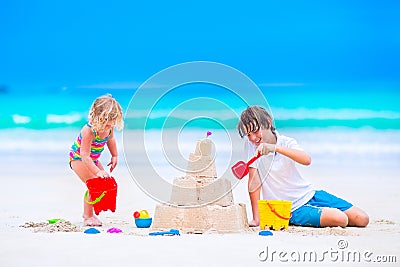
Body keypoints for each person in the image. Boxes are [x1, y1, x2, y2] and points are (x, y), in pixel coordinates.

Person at [237, 106, 369, 228]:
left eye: (255, 131)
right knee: (341, 219)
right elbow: (254, 183)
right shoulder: (251, 147)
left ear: (268, 122)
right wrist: (257, 218)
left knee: (362, 219)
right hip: (290, 208)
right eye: (248, 134)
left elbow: (306, 160)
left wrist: (274, 148)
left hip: (310, 194)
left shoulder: (286, 142)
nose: (253, 138)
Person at [69, 94, 124, 226]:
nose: (108, 128)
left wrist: (114, 155)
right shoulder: (89, 131)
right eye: (105, 125)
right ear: (96, 118)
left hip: (92, 159)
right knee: (94, 184)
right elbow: (85, 156)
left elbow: (111, 140)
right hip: (78, 159)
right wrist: (98, 172)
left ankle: (88, 212)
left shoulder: (109, 129)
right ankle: (88, 216)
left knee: (104, 184)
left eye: (111, 125)